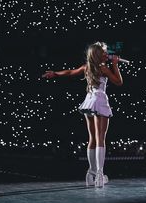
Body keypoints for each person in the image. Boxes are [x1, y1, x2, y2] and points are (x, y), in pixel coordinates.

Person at [42, 41, 123, 188]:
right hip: (99, 100)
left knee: (92, 138)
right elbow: (119, 82)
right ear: (99, 55)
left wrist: (55, 73)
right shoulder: (103, 68)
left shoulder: (87, 68)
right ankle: (99, 174)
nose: (107, 54)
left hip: (89, 100)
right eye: (105, 52)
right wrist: (116, 65)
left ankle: (90, 174)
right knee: (100, 139)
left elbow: (70, 72)